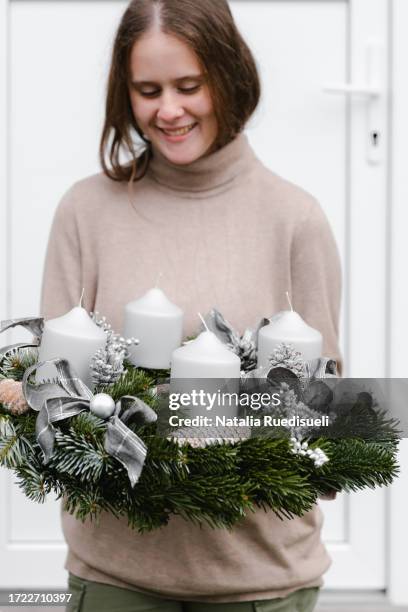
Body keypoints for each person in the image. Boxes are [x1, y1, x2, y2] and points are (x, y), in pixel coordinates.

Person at [41, 0, 342, 610]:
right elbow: (54, 395)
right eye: (147, 90)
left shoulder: (295, 219)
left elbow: (326, 418)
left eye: (189, 86)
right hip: (115, 573)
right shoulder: (85, 211)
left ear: (228, 76)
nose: (168, 111)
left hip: (260, 577)